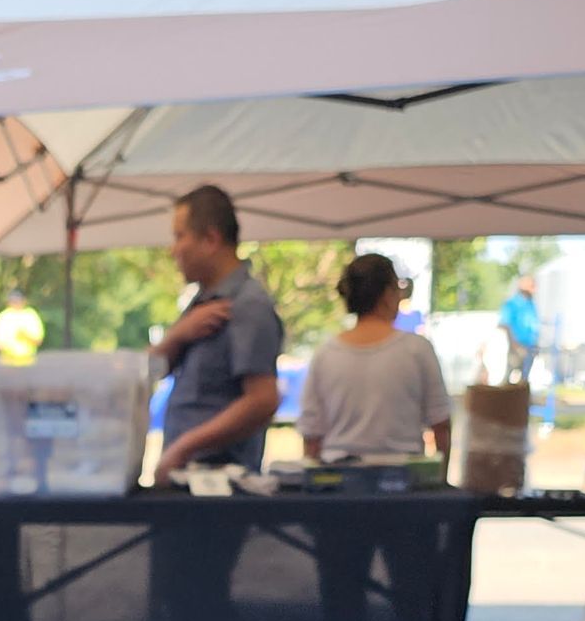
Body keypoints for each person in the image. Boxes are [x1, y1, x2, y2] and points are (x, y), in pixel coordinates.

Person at [148, 185, 284, 486]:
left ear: (210, 239)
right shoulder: (201, 304)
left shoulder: (248, 305)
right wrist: (177, 336)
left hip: (217, 487)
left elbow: (262, 400)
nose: (173, 250)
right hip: (190, 479)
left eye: (180, 236)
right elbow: (150, 371)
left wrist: (184, 447)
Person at [297, 251, 453, 470]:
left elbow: (312, 434)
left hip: (340, 478)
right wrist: (440, 479)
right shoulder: (416, 350)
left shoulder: (326, 354)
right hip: (401, 479)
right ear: (387, 294)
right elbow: (441, 424)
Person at [498, 272, 541, 385]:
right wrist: (515, 345)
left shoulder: (531, 304)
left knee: (524, 379)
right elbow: (504, 325)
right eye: (532, 285)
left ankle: (522, 401)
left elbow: (534, 326)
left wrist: (535, 344)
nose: (535, 289)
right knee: (509, 377)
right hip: (516, 347)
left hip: (529, 348)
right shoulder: (512, 304)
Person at [0, 288, 46, 367]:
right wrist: (6, 343)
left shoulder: (31, 315)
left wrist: (25, 335)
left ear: (24, 301)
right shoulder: (3, 317)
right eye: (13, 301)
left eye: (18, 300)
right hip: (7, 362)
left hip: (28, 362)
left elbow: (39, 340)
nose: (15, 303)